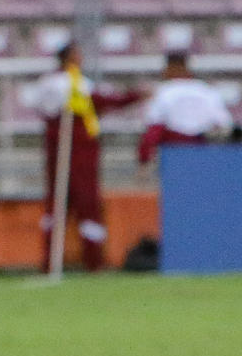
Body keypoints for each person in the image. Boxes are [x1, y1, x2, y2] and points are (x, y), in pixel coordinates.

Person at [20, 43, 140, 273]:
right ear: (68, 57)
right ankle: (86, 262)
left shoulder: (58, 82)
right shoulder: (67, 82)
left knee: (64, 206)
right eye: (77, 53)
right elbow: (98, 101)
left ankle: (63, 261)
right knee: (79, 204)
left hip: (68, 152)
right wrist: (132, 97)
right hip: (73, 152)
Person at [138, 52, 233, 164]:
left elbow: (154, 127)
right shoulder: (205, 90)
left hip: (176, 149)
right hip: (201, 148)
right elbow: (224, 122)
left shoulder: (164, 91)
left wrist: (144, 157)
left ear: (169, 68)